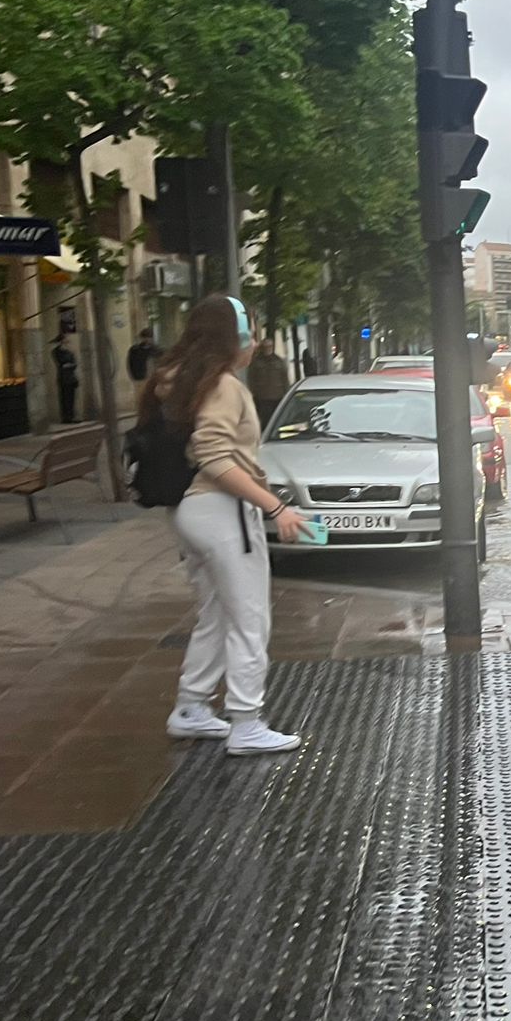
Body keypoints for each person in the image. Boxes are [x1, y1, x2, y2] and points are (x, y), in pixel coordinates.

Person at [143, 295, 311, 756]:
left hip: (189, 511)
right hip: (223, 511)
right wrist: (276, 508)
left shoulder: (177, 380)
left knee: (217, 612)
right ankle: (246, 722)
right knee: (249, 619)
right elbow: (215, 457)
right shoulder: (223, 385)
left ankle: (191, 706)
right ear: (231, 337)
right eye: (249, 333)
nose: (255, 343)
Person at [51, 333, 80, 423]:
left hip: (71, 377)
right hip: (63, 378)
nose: (67, 342)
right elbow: (61, 364)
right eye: (65, 340)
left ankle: (71, 416)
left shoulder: (69, 352)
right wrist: (68, 365)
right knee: (64, 398)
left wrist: (68, 365)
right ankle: (66, 417)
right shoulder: (56, 352)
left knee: (71, 398)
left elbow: (74, 364)